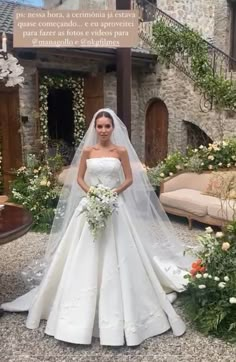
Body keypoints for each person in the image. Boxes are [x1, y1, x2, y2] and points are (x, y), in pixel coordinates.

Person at [1, 108, 193, 346]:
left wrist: (112, 193)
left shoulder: (120, 151)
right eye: (100, 126)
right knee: (81, 253)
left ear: (113, 128)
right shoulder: (88, 151)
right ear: (95, 128)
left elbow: (129, 179)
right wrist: (92, 191)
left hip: (115, 206)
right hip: (90, 204)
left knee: (121, 252)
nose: (103, 130)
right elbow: (79, 178)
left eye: (107, 126)